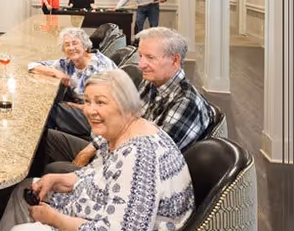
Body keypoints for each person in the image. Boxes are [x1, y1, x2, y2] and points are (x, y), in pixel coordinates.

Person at [0, 69, 195, 231]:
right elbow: (104, 172)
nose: (90, 110)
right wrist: (66, 179)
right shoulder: (128, 130)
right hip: (102, 218)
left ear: (125, 105)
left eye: (100, 102)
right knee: (25, 191)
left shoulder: (139, 157)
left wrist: (55, 220)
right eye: (88, 101)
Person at [43, 27, 215, 174]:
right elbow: (121, 120)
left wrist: (89, 168)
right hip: (109, 149)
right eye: (141, 56)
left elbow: (148, 160)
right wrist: (88, 151)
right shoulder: (151, 84)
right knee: (47, 138)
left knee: (53, 172)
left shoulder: (186, 103)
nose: (141, 65)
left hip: (121, 170)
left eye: (150, 58)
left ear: (175, 60)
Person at [28, 27, 116, 137]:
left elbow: (104, 106)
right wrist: (56, 73)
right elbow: (32, 66)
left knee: (47, 109)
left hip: (100, 120)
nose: (71, 48)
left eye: (75, 43)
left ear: (84, 46)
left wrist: (71, 106)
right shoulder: (68, 63)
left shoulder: (99, 67)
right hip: (83, 109)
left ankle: (42, 143)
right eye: (67, 45)